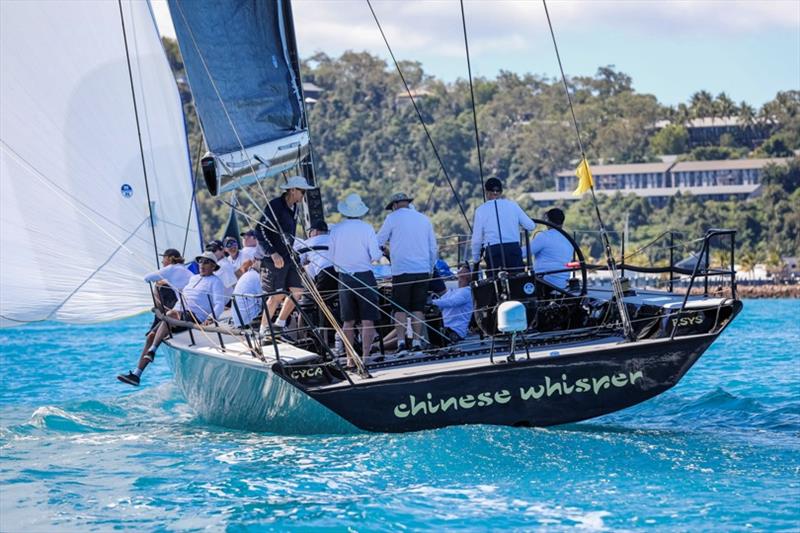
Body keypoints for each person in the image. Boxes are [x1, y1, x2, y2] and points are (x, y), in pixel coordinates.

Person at [118, 251, 225, 386]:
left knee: (170, 316)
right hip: (179, 312)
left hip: (194, 316)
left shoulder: (216, 282)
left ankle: (152, 351)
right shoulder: (194, 278)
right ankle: (136, 375)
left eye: (206, 262)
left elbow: (219, 304)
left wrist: (212, 318)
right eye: (200, 261)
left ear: (214, 266)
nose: (202, 265)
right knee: (151, 336)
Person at [377, 192, 437, 352]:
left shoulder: (392, 218)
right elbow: (433, 248)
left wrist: (382, 251)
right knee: (418, 308)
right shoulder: (424, 219)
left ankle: (402, 343)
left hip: (402, 270)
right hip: (423, 270)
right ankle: (417, 343)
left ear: (395, 205)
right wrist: (430, 269)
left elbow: (379, 240)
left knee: (400, 309)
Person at [256, 175, 315, 334]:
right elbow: (260, 230)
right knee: (276, 296)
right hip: (273, 258)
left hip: (288, 255)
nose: (304, 195)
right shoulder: (275, 205)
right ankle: (263, 330)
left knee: (297, 292)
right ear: (293, 190)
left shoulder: (295, 207)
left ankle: (279, 324)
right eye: (302, 191)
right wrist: (273, 253)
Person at [328, 193, 382, 366]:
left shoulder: (336, 229)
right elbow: (375, 256)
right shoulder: (367, 228)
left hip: (344, 277)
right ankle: (365, 357)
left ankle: (350, 359)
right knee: (368, 320)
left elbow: (331, 257)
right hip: (365, 276)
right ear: (360, 211)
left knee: (348, 321)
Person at [471, 177, 535, 276]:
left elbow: (476, 240)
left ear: (486, 192)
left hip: (493, 252)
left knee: (494, 285)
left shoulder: (480, 210)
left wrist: (476, 259)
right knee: (517, 283)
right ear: (501, 192)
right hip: (513, 249)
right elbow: (531, 226)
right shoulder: (513, 205)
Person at [530, 208, 573, 290]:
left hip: (544, 283)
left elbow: (522, 253)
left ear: (547, 221)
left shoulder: (544, 236)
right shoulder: (568, 239)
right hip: (562, 284)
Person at [431, 264, 474, 343]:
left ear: (468, 275)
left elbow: (452, 302)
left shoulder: (467, 291)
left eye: (466, 268)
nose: (461, 268)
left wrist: (432, 302)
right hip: (445, 328)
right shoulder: (453, 291)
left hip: (455, 332)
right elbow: (442, 302)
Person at [231, 249, 264, 328]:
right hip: (247, 323)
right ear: (255, 261)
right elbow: (265, 302)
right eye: (263, 261)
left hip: (239, 321)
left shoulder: (248, 274)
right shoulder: (256, 277)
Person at [206, 239, 238, 304]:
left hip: (225, 303)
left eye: (214, 250)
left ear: (222, 250)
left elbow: (235, 287)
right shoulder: (218, 264)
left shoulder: (224, 266)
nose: (211, 253)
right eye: (209, 250)